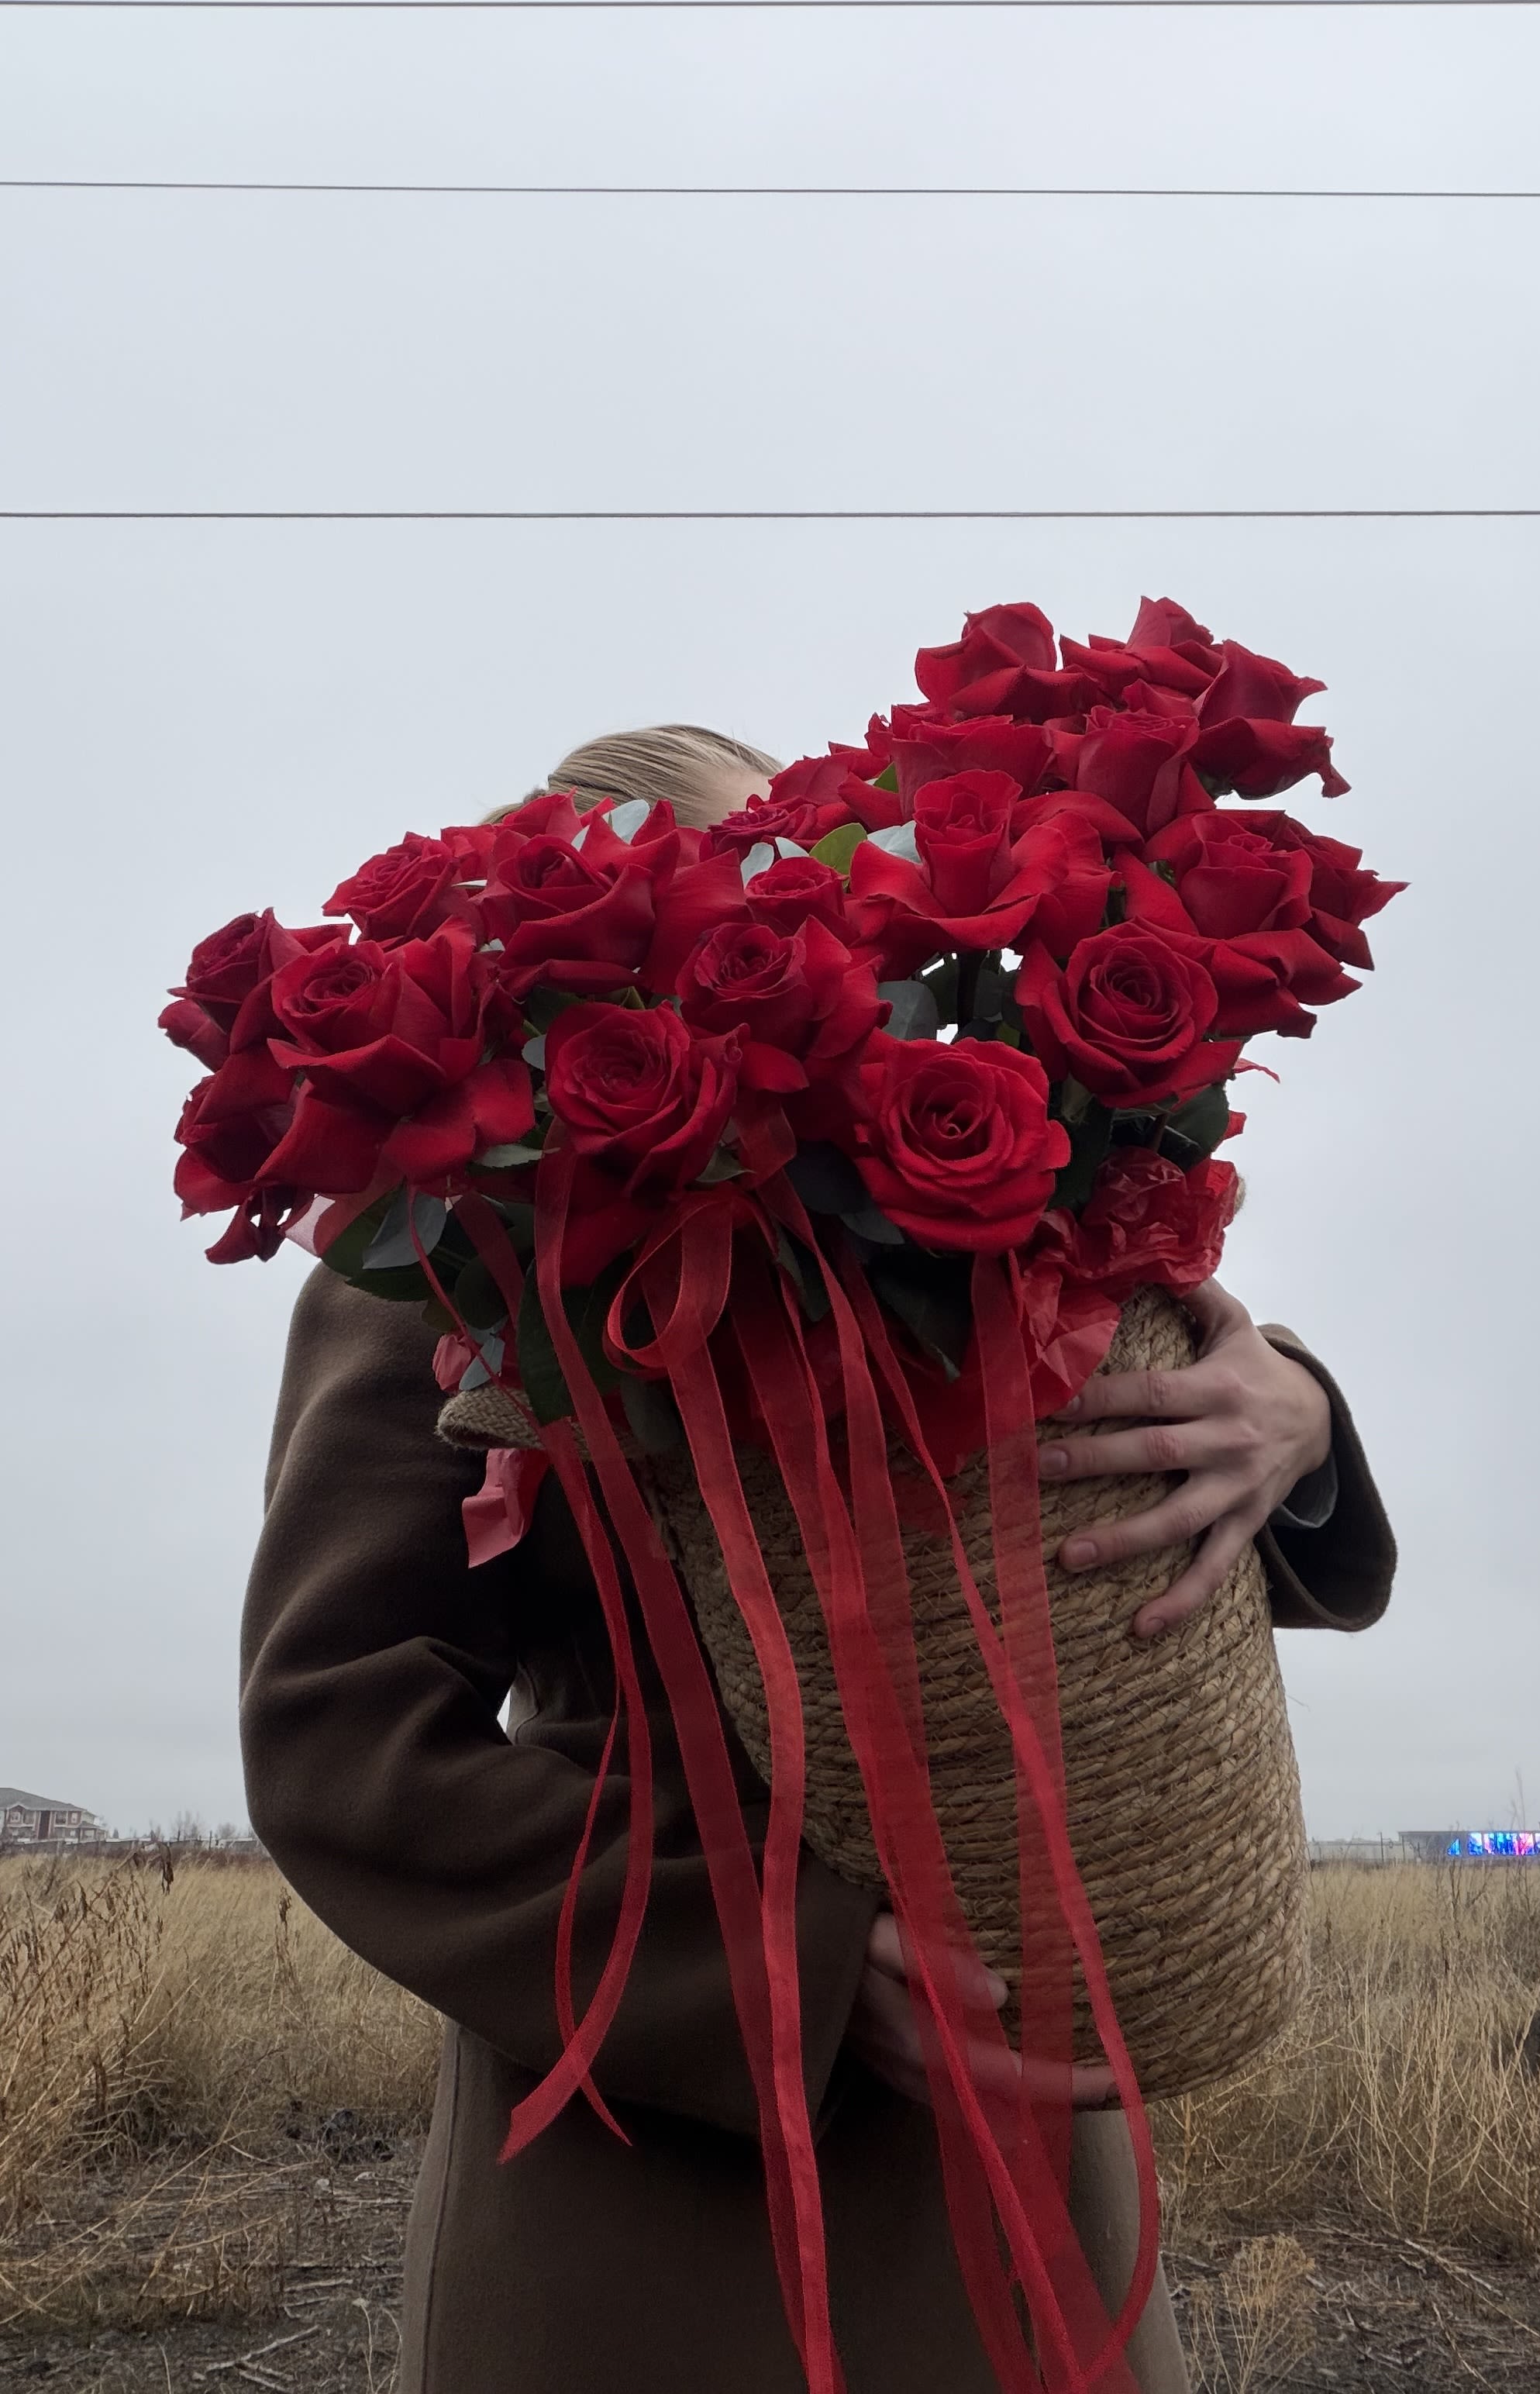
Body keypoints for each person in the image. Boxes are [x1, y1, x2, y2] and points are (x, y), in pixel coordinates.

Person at [241, 723, 1397, 2394]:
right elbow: (335, 1732)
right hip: (657, 2172)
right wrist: (774, 1959)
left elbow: (1092, 1558)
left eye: (774, 906)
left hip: (1007, 2118)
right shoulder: (437, 1262)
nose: (734, 964)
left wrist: (1286, 1412)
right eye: (678, 921)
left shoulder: (968, 1202)